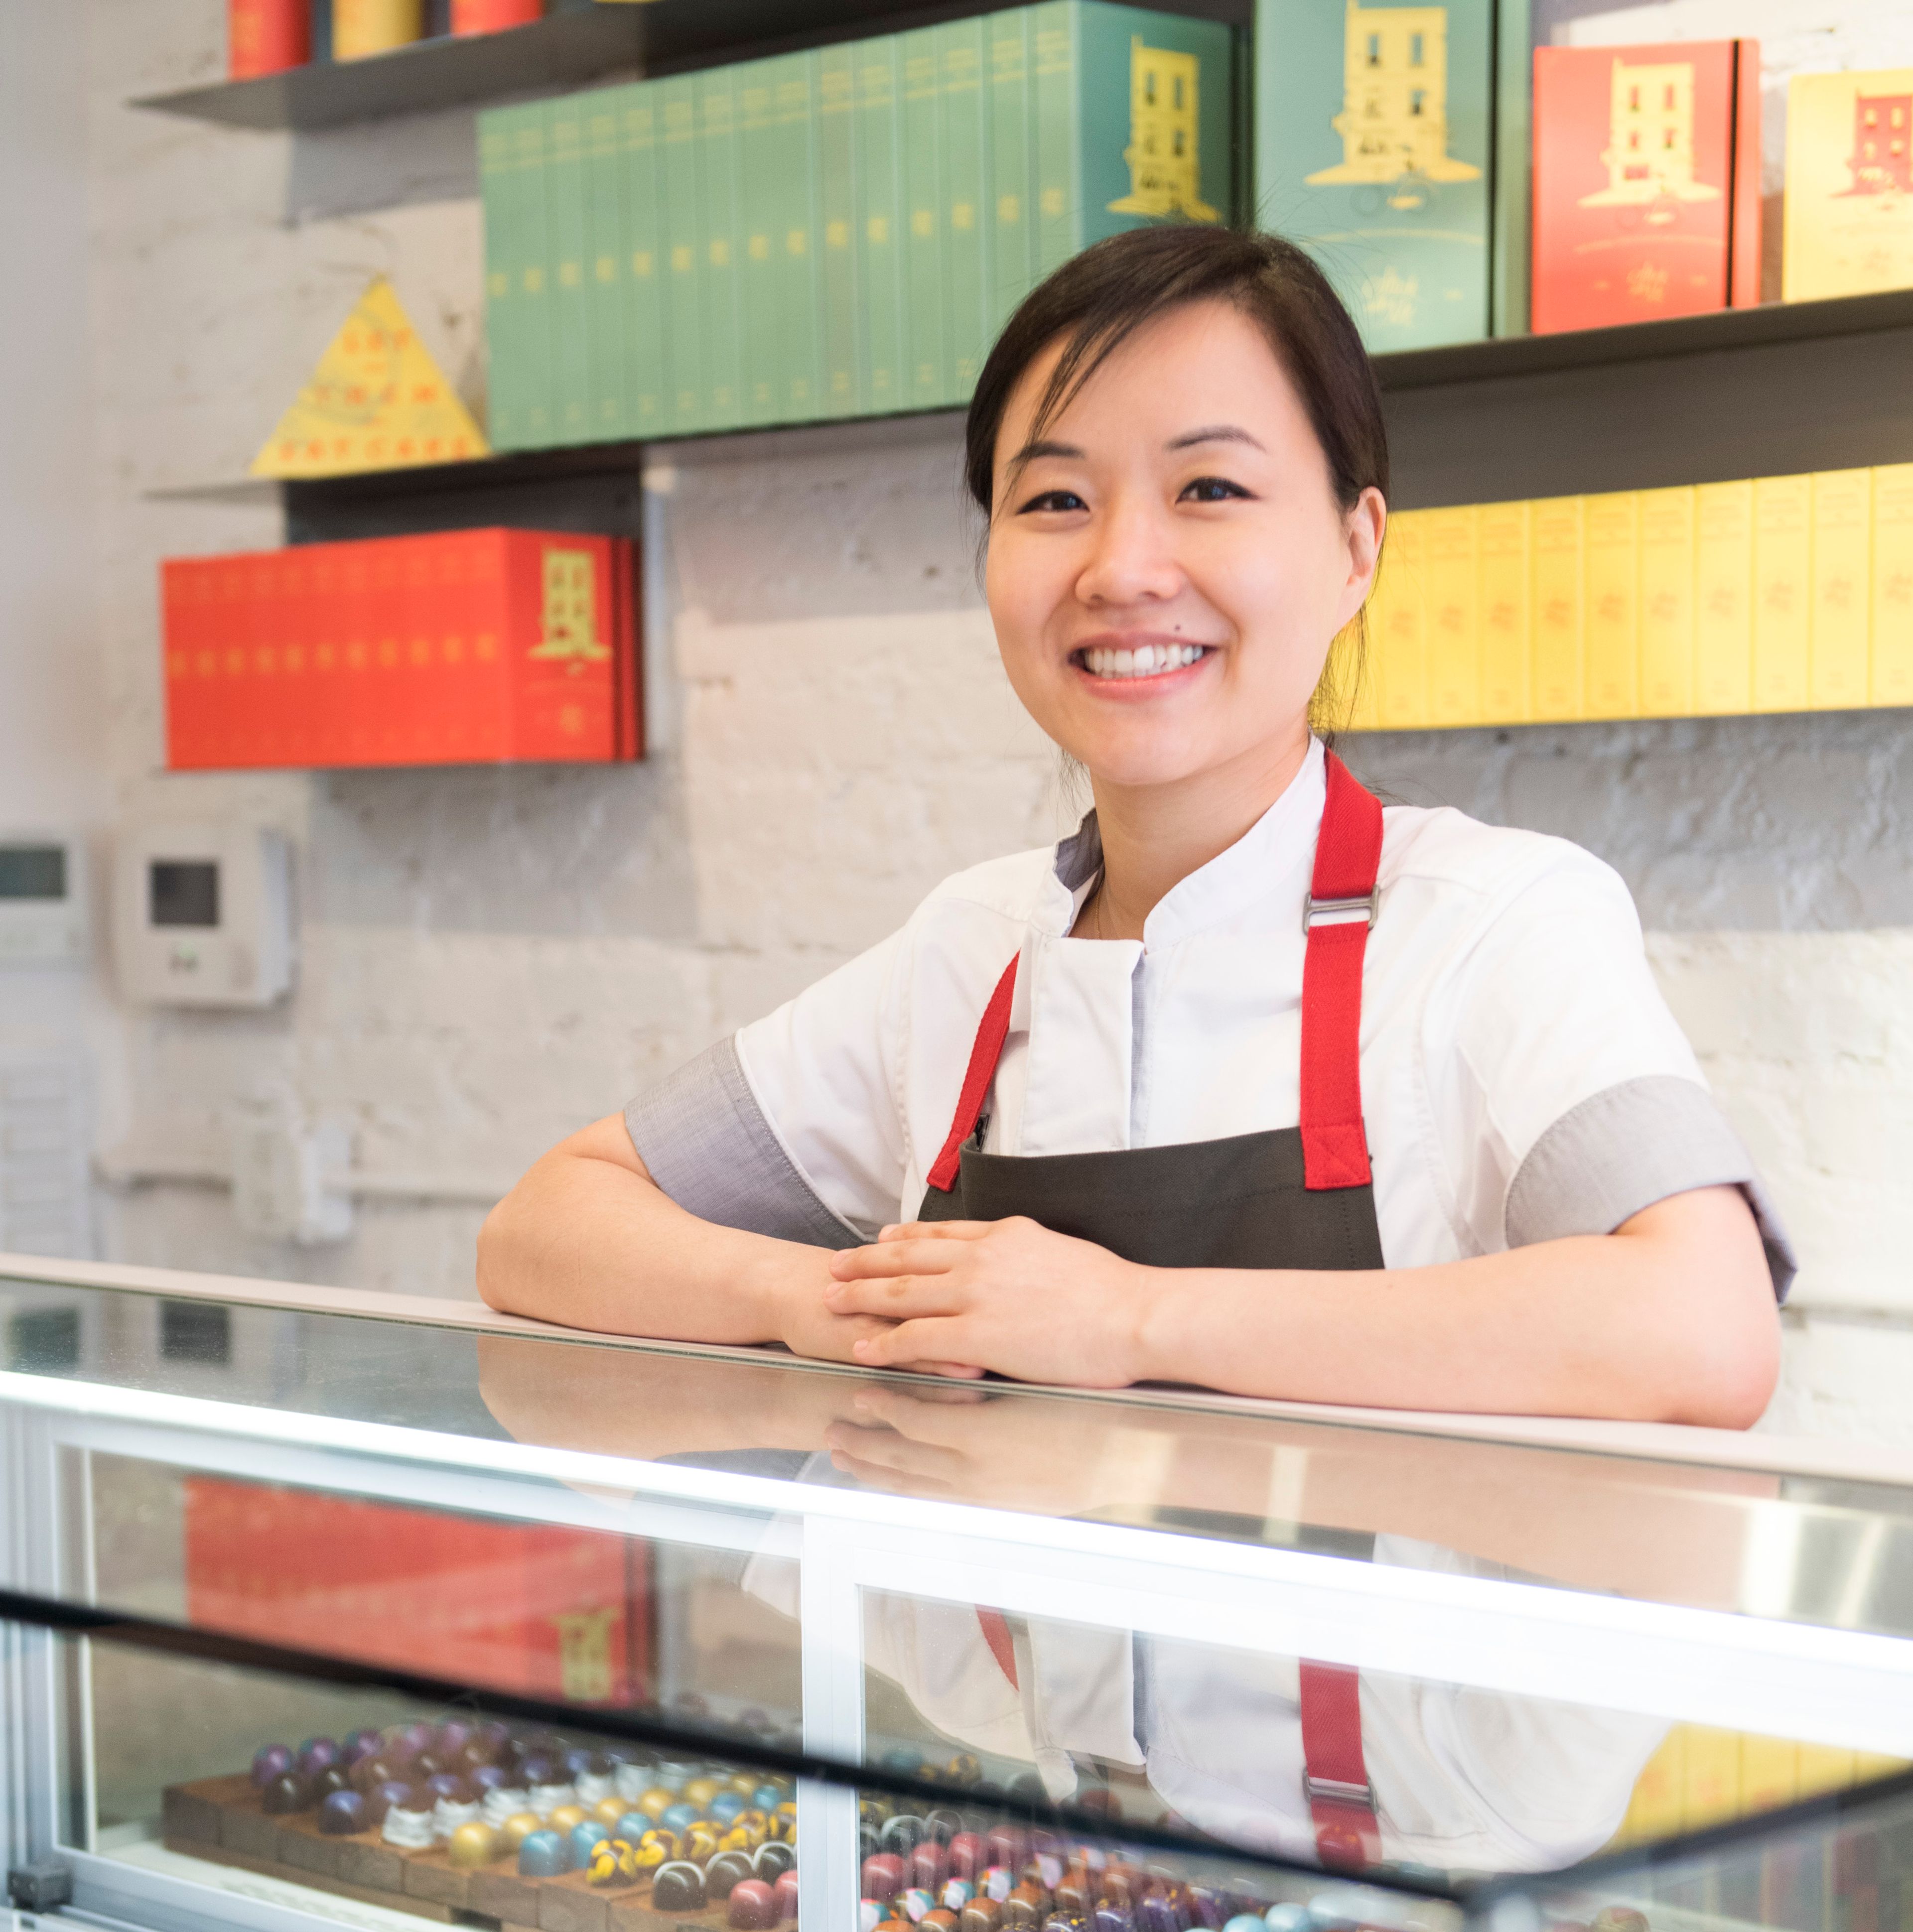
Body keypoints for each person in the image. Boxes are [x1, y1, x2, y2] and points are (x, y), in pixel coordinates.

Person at [479, 224, 1789, 1423]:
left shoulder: (1492, 923)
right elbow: (546, 1225)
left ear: (1354, 550)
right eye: (1053, 501)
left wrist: (1129, 1318)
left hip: (1368, 1683)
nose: (1121, 569)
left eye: (1209, 489)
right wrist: (836, 1307)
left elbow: (1705, 1330)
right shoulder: (973, 951)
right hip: (1030, 1680)